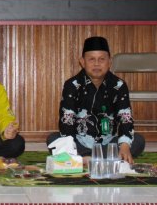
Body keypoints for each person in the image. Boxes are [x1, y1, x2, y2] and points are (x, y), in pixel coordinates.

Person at [47, 36, 145, 164]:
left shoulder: (119, 85)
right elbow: (67, 119)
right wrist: (69, 145)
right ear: (82, 62)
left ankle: (84, 159)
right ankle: (105, 158)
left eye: (102, 59)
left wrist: (125, 146)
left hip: (108, 143)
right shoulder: (72, 85)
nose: (97, 64)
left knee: (138, 140)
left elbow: (125, 116)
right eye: (91, 59)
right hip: (79, 143)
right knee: (53, 139)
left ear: (109, 61)